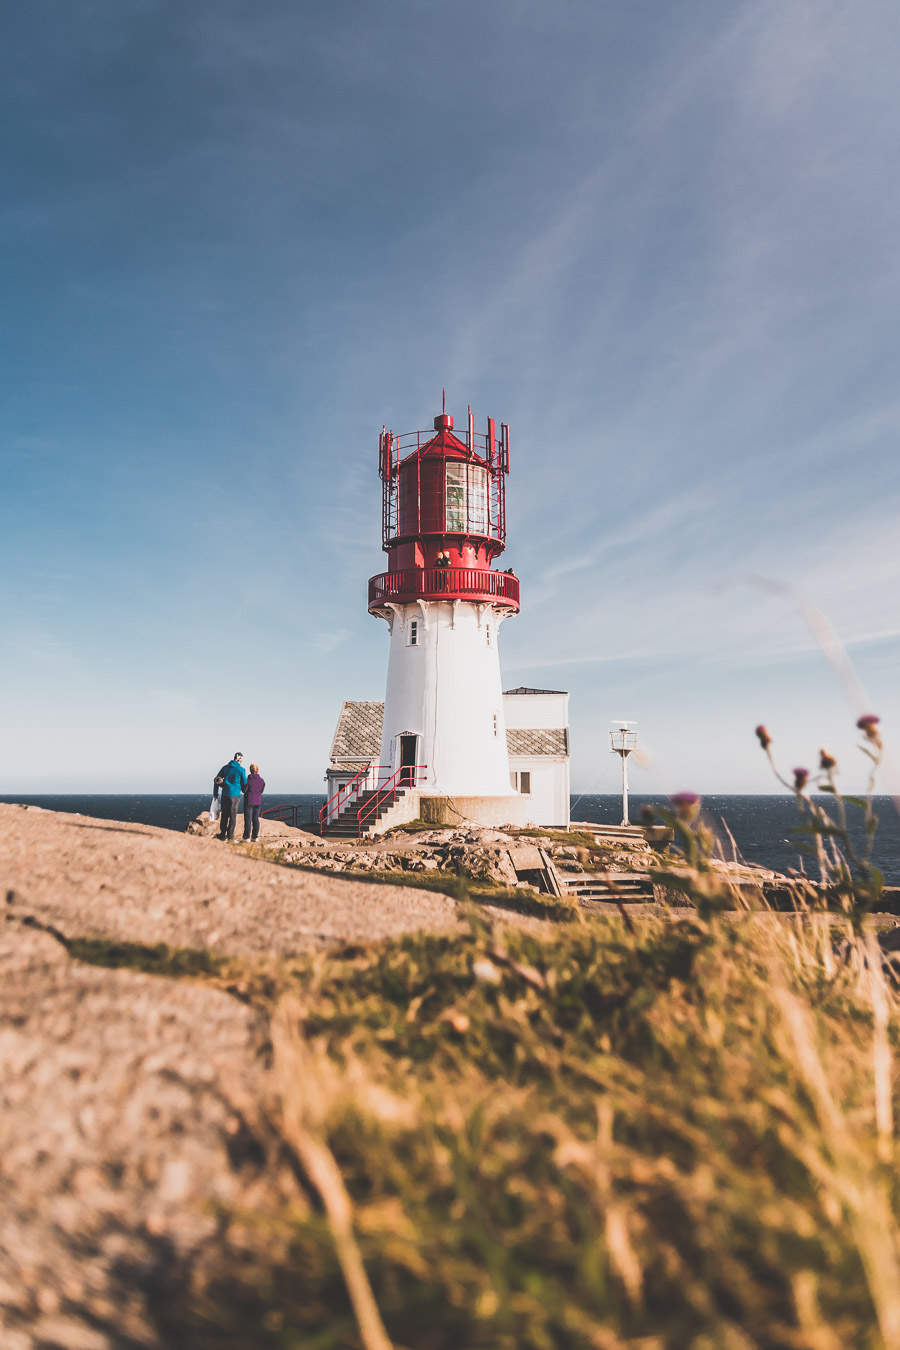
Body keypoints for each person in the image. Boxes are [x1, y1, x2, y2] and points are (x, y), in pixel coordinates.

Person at [214, 751, 247, 841]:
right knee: (232, 816)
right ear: (240, 759)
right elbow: (245, 782)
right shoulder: (241, 770)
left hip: (225, 794)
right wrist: (244, 790)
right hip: (235, 795)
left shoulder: (225, 768)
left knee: (224, 815)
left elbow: (216, 780)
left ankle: (222, 835)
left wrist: (215, 793)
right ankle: (230, 836)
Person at [242, 763, 266, 842]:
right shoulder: (262, 781)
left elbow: (244, 790)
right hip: (258, 801)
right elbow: (261, 790)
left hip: (249, 801)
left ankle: (247, 837)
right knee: (256, 819)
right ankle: (255, 836)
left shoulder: (248, 780)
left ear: (250, 770)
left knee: (248, 820)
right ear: (257, 770)